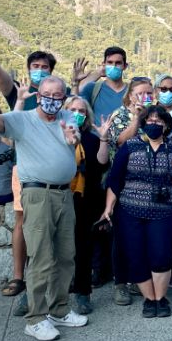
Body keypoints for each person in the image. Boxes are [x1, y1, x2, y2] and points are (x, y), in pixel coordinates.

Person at [0, 69, 88, 341]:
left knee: (66, 255)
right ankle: (35, 318)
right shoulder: (22, 120)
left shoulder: (68, 116)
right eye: (47, 95)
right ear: (38, 95)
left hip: (64, 195)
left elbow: (73, 135)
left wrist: (74, 139)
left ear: (64, 98)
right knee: (42, 257)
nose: (52, 100)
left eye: (58, 96)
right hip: (37, 194)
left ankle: (59, 310)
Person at [0, 21, 56, 296]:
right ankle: (19, 277)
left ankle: (52, 275)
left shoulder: (56, 97)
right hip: (25, 169)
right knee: (21, 221)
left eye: (44, 68)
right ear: (29, 70)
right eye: (36, 67)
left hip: (54, 171)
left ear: (51, 72)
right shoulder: (19, 93)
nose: (39, 71)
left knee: (55, 223)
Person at [102, 105, 172, 319]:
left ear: (166, 125)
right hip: (130, 211)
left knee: (160, 254)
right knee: (136, 255)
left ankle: (161, 299)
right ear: (143, 124)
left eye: (158, 121)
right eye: (150, 121)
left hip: (163, 211)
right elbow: (115, 179)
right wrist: (108, 207)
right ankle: (149, 300)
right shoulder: (130, 146)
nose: (154, 125)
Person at [105, 76, 155, 306]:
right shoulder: (120, 115)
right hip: (123, 184)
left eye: (149, 93)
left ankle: (138, 279)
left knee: (141, 237)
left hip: (146, 185)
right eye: (142, 92)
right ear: (131, 94)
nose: (146, 96)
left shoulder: (151, 116)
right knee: (121, 237)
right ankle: (120, 283)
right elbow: (120, 142)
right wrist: (135, 118)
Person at [64, 95, 112, 315]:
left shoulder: (91, 139)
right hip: (61, 197)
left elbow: (102, 163)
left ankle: (83, 293)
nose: (77, 113)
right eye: (73, 109)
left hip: (87, 200)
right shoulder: (55, 135)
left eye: (82, 110)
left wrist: (103, 139)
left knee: (83, 249)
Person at [78, 46, 129, 124]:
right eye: (110, 62)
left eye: (118, 63)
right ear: (104, 64)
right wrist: (75, 82)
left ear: (125, 66)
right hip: (96, 136)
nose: (113, 66)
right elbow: (74, 101)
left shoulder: (132, 91)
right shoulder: (93, 89)